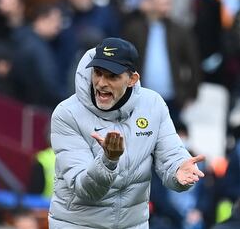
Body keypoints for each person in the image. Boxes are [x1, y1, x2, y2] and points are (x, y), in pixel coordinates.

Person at [49, 37, 205, 229]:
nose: (101, 83)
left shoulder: (153, 104)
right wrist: (108, 161)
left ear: (132, 79)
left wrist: (178, 171)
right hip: (78, 224)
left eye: (111, 76)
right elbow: (85, 189)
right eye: (97, 73)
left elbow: (171, 157)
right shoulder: (67, 114)